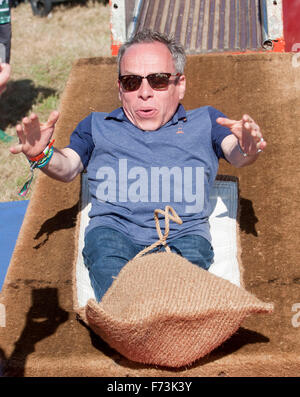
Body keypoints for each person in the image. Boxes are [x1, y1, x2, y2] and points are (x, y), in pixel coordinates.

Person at [9, 29, 266, 302]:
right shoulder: (97, 126)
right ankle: (130, 319)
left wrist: (248, 147)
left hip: (183, 236)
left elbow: (236, 153)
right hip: (114, 233)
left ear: (180, 85)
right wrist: (42, 155)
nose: (144, 93)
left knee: (184, 292)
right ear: (121, 89)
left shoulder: (205, 122)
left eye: (158, 81)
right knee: (113, 280)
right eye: (132, 82)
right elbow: (69, 167)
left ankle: (165, 320)